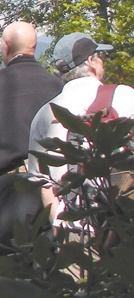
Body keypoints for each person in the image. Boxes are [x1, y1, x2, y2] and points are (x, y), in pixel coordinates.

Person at [0, 21, 62, 270]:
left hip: (10, 187)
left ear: (5, 47)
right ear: (34, 47)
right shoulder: (56, 85)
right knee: (46, 263)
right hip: (49, 187)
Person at [28, 32, 134, 229]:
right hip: (124, 225)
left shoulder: (44, 115)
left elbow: (44, 185)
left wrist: (59, 227)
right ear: (91, 61)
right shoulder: (124, 96)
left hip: (75, 231)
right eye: (99, 56)